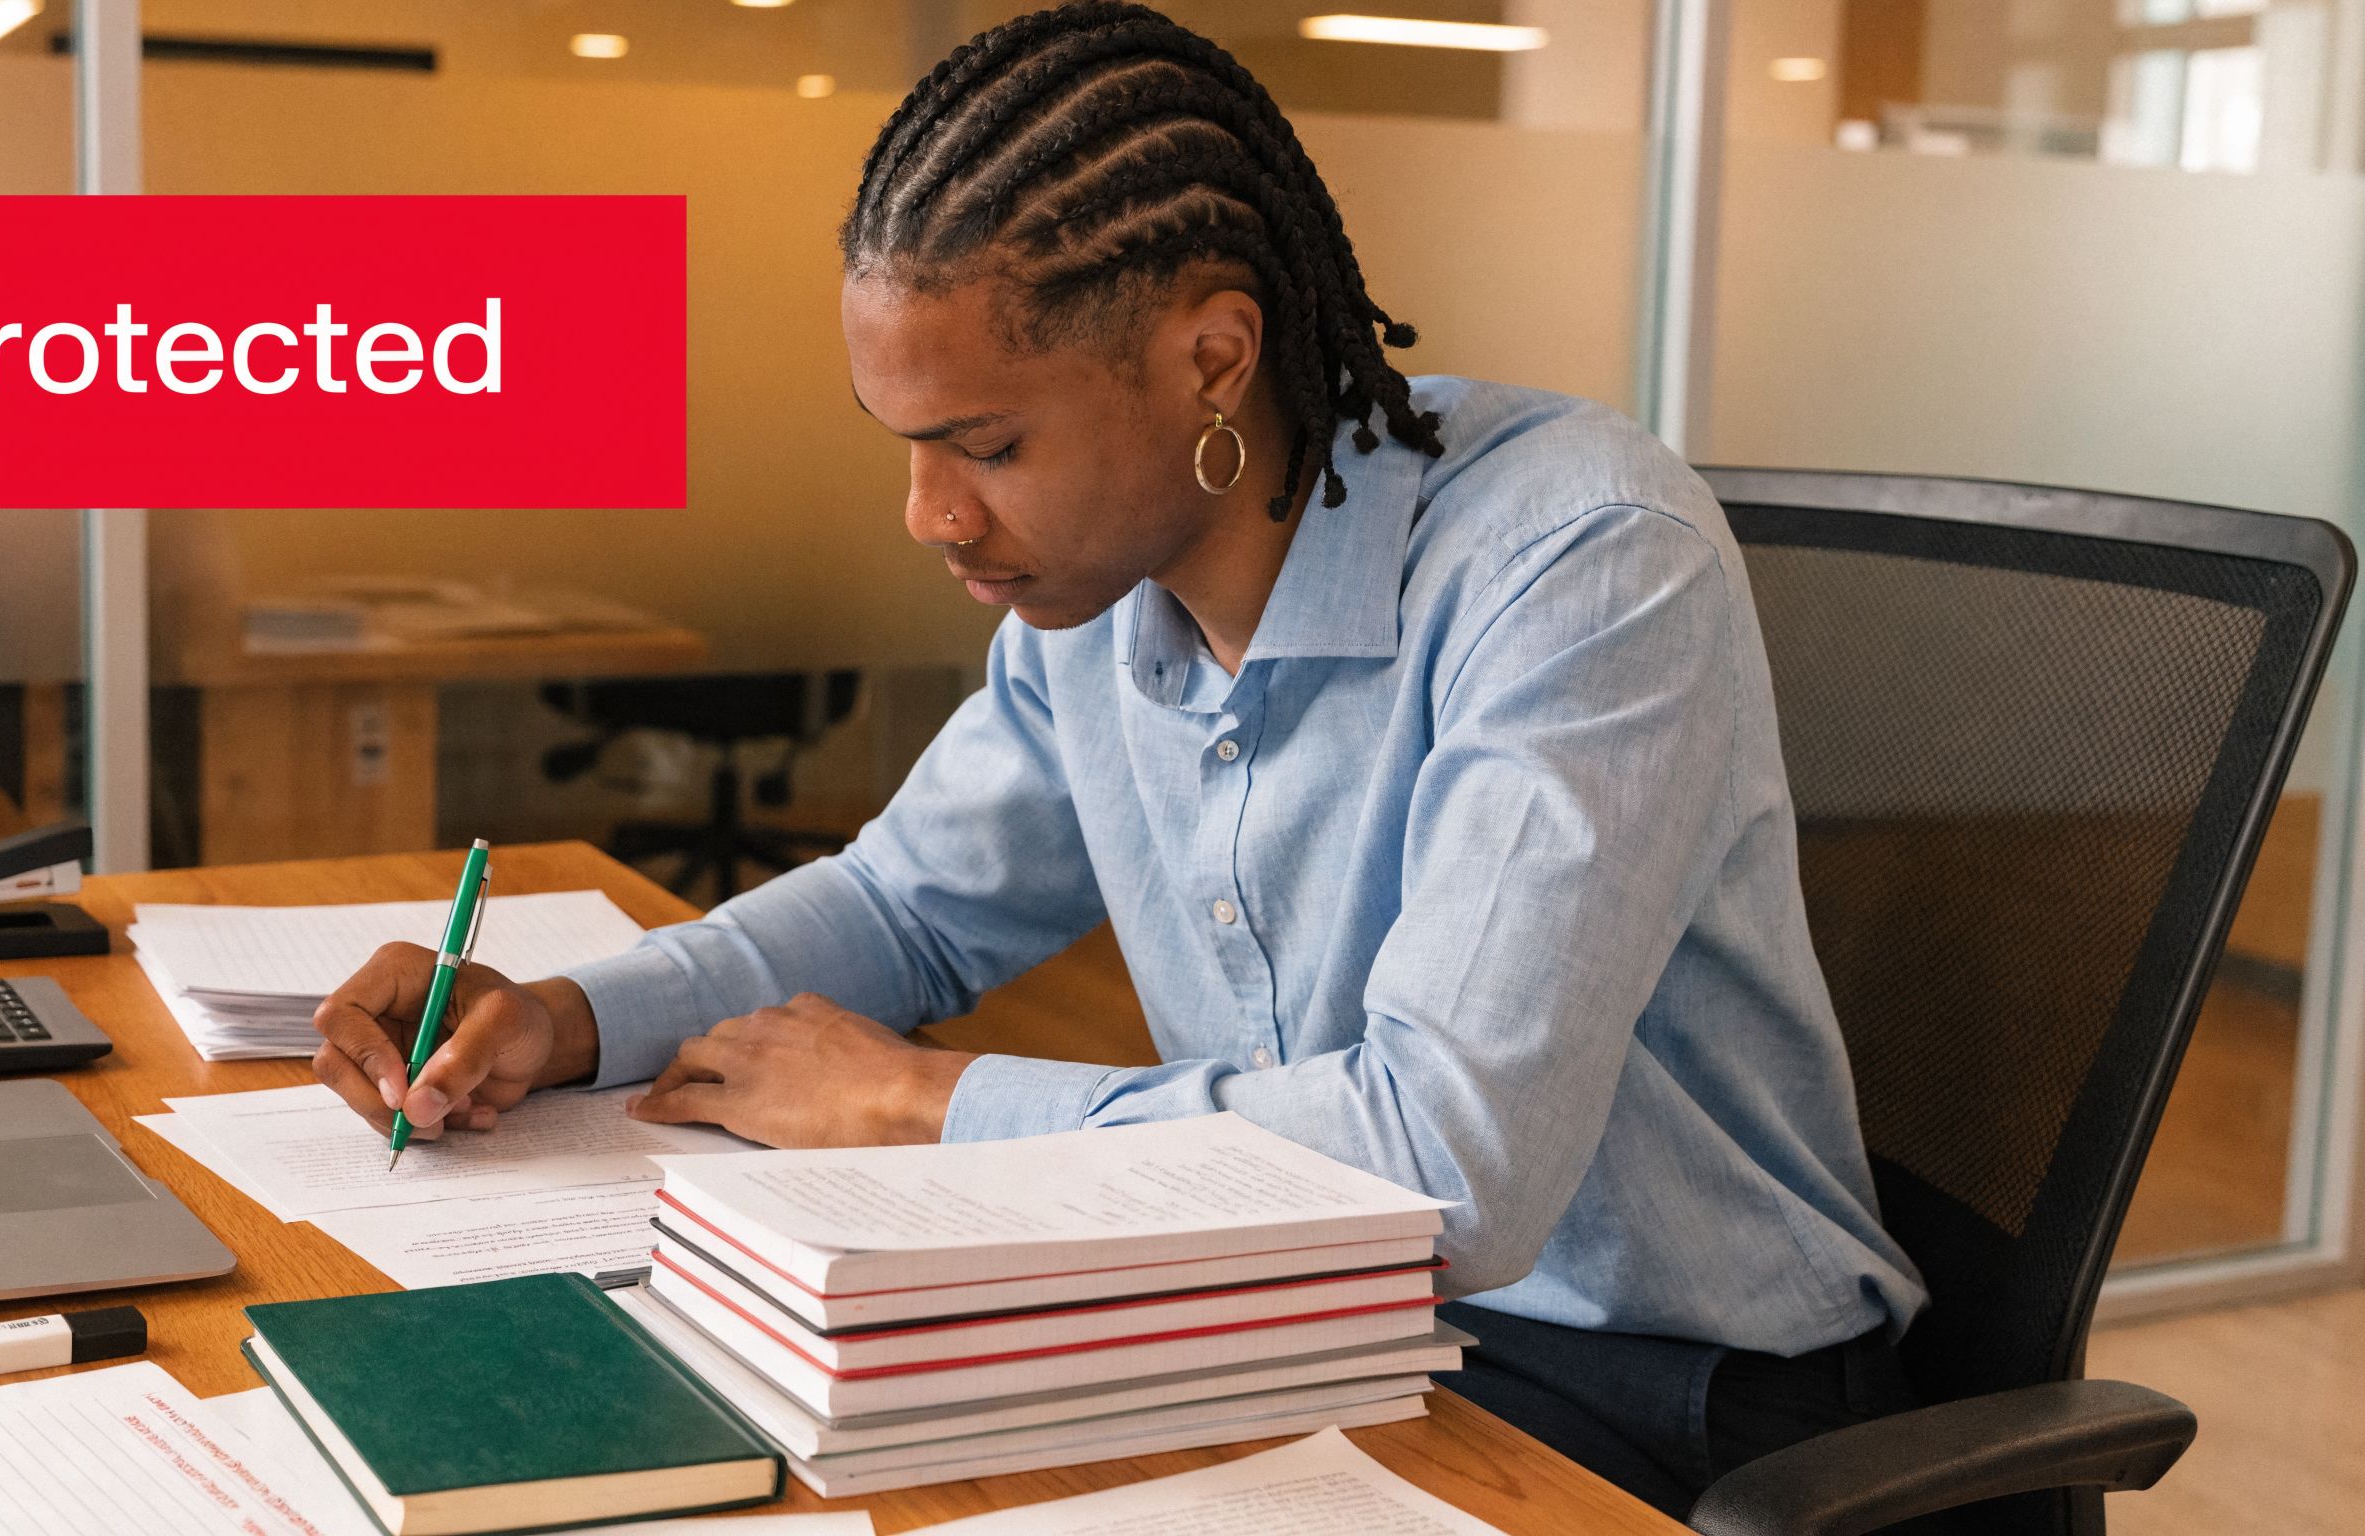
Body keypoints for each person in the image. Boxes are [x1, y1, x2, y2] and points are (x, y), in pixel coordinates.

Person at [309, 1, 1926, 1515]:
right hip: (1290, 1317)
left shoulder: (1577, 559)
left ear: (1211, 362)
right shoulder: (1097, 603)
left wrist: (922, 1104)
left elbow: (1447, 1165)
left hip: (1650, 1395)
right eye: (915, 448)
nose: (932, 517)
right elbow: (911, 907)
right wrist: (576, 1016)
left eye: (988, 447)